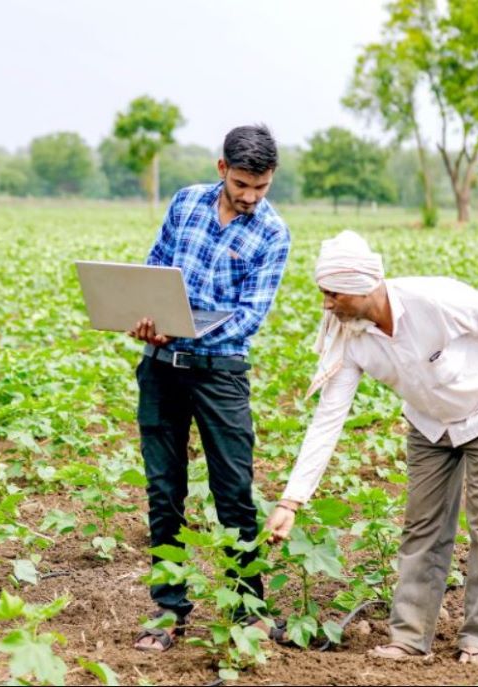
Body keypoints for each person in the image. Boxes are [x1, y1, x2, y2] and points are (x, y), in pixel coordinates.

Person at [267, 230, 478, 664]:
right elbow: (327, 420)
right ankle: (410, 637)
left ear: (363, 286)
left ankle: (477, 638)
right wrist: (292, 500)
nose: (326, 304)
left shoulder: (433, 299)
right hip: (430, 425)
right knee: (422, 528)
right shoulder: (350, 337)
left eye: (333, 293)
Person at [129, 125, 291, 652]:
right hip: (160, 367)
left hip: (221, 374)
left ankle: (248, 609)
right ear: (222, 169)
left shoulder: (272, 234)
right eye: (242, 184)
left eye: (261, 187)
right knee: (164, 492)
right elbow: (155, 268)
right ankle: (168, 609)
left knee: (233, 492)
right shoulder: (186, 203)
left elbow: (249, 317)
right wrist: (146, 317)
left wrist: (184, 330)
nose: (250, 196)